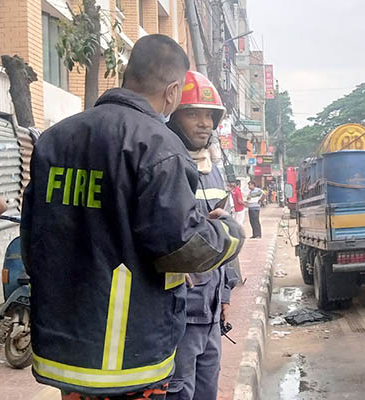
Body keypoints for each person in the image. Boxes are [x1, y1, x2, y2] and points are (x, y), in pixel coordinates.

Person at [20, 35, 243, 400]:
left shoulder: (54, 140)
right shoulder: (158, 145)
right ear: (172, 92)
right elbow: (182, 248)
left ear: (127, 75)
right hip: (129, 360)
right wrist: (227, 233)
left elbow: (32, 241)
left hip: (64, 355)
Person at [165, 71, 243, 400]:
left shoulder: (215, 170)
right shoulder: (164, 165)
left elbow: (225, 239)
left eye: (209, 115)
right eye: (193, 113)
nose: (204, 123)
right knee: (179, 392)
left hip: (210, 314)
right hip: (178, 316)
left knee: (207, 389)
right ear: (173, 116)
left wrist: (224, 296)